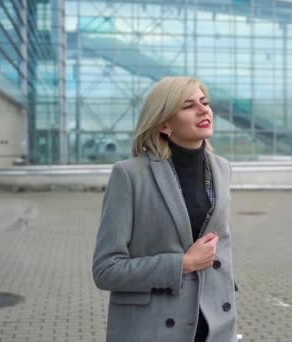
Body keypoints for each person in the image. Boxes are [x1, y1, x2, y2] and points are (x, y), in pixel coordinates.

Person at [92, 76, 237, 342]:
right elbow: (105, 270)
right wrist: (182, 264)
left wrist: (227, 294)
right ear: (164, 124)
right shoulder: (129, 175)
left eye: (204, 102)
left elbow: (221, 246)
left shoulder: (222, 169)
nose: (203, 110)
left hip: (214, 326)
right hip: (152, 329)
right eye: (188, 105)